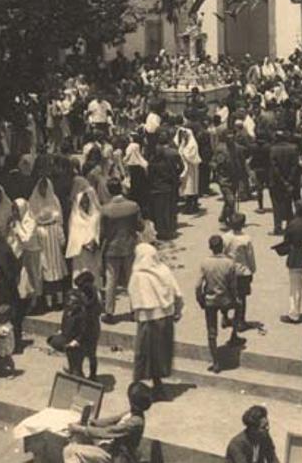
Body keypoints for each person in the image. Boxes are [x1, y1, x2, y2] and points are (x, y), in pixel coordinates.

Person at [128, 243, 183, 400]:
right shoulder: (164, 270)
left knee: (143, 354)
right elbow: (177, 293)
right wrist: (177, 311)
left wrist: (135, 313)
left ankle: (137, 387)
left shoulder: (137, 275)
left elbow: (133, 298)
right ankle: (158, 386)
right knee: (160, 354)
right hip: (165, 318)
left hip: (147, 320)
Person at [63, 381, 152, 463]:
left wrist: (82, 429)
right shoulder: (132, 413)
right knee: (76, 440)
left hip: (116, 458)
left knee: (70, 451)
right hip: (111, 448)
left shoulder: (136, 422)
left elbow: (108, 431)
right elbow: (111, 421)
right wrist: (91, 422)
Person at [198, 236, 242, 373]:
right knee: (239, 307)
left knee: (211, 332)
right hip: (225, 300)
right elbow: (233, 285)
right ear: (222, 247)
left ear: (210, 247)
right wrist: (236, 298)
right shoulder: (229, 263)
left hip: (210, 300)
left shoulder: (205, 263)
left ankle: (216, 362)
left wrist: (200, 299)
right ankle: (234, 333)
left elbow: (198, 285)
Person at [100, 178, 142, 324]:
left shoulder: (105, 209)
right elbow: (140, 226)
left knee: (111, 280)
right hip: (129, 246)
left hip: (112, 248)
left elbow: (102, 232)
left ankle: (109, 312)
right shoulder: (133, 206)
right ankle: (135, 310)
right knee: (132, 279)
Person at [29, 177, 68, 309]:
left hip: (54, 239)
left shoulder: (54, 199)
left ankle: (59, 300)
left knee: (57, 272)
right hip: (41, 238)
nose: (43, 190)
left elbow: (59, 218)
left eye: (45, 187)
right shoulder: (33, 200)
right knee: (45, 272)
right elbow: (31, 218)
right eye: (41, 187)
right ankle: (48, 302)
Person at [9, 199, 43, 316]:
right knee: (24, 280)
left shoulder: (30, 222)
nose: (14, 213)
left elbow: (26, 239)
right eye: (13, 210)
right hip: (22, 253)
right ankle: (26, 304)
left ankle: (37, 303)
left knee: (34, 277)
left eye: (16, 210)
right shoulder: (16, 222)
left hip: (32, 252)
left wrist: (17, 227)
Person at [223, 213, 256, 330]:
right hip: (242, 271)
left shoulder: (225, 237)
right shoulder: (246, 239)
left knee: (227, 294)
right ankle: (240, 321)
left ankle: (225, 317)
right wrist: (252, 269)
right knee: (242, 297)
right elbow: (250, 256)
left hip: (228, 270)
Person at [67, 188, 102, 289]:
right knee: (80, 273)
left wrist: (94, 242)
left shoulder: (96, 215)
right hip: (80, 251)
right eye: (82, 203)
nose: (85, 205)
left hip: (93, 250)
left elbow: (98, 230)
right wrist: (83, 244)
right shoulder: (75, 217)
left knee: (93, 273)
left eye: (87, 202)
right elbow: (74, 234)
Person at [268, 130, 300, 235]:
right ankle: (290, 227)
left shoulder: (273, 149)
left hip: (277, 183)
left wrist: (283, 181)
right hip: (290, 182)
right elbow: (295, 166)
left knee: (276, 206)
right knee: (288, 204)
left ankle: (278, 227)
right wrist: (289, 181)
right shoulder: (294, 148)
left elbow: (275, 168)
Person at [74, 271, 102, 380]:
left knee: (83, 353)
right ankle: (92, 375)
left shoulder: (87, 296)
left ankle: (84, 374)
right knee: (92, 354)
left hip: (88, 327)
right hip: (95, 327)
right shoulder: (97, 293)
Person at [175, 126, 202, 214]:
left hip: (191, 169)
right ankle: (188, 205)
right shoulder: (183, 143)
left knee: (191, 188)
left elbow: (191, 156)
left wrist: (183, 153)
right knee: (186, 187)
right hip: (185, 169)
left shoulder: (192, 144)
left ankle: (192, 206)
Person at [0, 304, 15, 377]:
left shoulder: (8, 326)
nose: (0, 318)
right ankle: (1, 370)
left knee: (7, 358)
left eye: (2, 316)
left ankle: (11, 371)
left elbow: (2, 335)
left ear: (8, 317)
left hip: (6, 346)